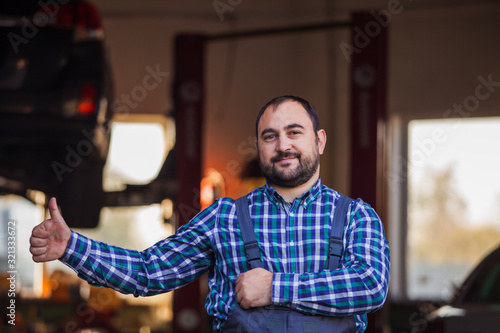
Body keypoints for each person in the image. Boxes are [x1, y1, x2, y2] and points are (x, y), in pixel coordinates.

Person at [30, 95, 390, 332]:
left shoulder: (357, 216)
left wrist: (274, 287)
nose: (283, 145)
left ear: (319, 140)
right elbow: (148, 272)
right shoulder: (225, 218)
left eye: (294, 132)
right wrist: (71, 247)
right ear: (260, 147)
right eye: (269, 136)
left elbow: (371, 285)